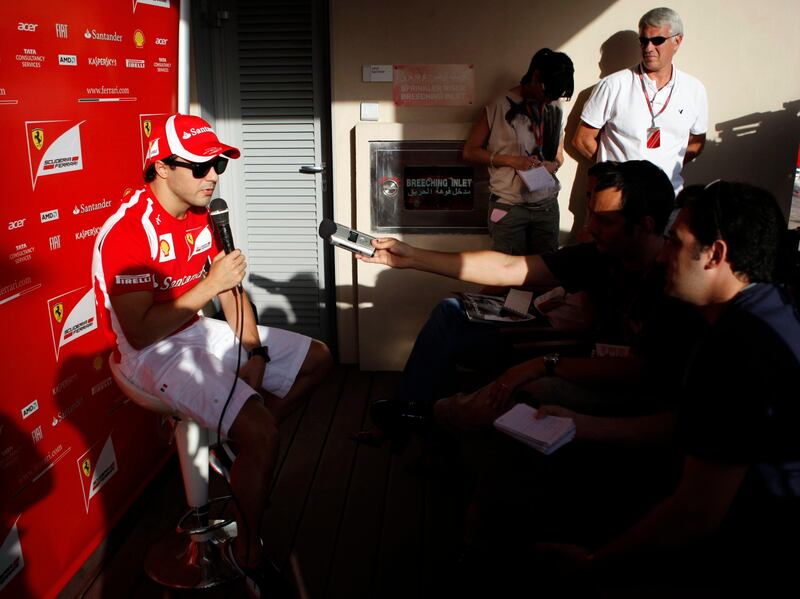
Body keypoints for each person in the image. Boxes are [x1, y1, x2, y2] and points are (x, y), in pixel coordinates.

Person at [92, 113, 332, 596]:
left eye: (218, 162)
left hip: (196, 328)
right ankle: (248, 555)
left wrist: (256, 350)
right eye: (200, 166)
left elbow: (231, 292)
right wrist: (211, 286)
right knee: (262, 433)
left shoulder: (205, 215)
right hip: (149, 353)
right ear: (161, 167)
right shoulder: (127, 232)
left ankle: (241, 441)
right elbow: (139, 333)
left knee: (319, 358)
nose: (214, 175)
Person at [534, 181, 800, 592]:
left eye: (675, 242)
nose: (663, 255)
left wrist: (593, 563)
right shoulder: (768, 307)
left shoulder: (738, 348)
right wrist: (583, 425)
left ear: (716, 254)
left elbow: (695, 515)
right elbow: (698, 429)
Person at [359, 160, 699, 438]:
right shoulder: (601, 255)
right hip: (585, 358)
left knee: (532, 391)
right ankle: (421, 412)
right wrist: (410, 256)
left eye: (604, 220)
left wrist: (543, 364)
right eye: (591, 213)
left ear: (645, 225)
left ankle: (432, 415)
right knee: (453, 315)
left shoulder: (676, 283)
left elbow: (641, 373)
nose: (589, 228)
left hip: (627, 390)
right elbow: (509, 267)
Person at [572, 7, 707, 193]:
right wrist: (616, 176)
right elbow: (582, 139)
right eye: (643, 41)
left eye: (657, 40)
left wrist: (667, 169)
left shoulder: (694, 89)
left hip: (668, 197)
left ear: (677, 41)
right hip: (618, 200)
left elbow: (697, 142)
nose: (648, 48)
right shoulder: (613, 85)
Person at [463, 48, 574, 255]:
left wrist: (554, 165)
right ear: (535, 77)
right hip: (508, 207)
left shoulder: (555, 105)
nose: (549, 100)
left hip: (547, 206)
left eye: (556, 96)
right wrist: (511, 161)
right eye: (547, 93)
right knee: (505, 276)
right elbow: (470, 152)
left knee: (544, 275)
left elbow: (559, 154)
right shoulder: (499, 106)